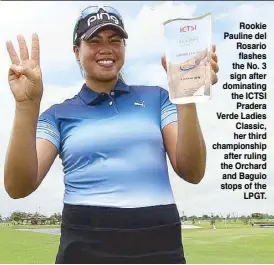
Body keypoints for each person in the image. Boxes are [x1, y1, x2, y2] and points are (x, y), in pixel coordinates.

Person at [4, 5, 219, 264]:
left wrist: (186, 94)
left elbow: (192, 172)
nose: (106, 48)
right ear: (76, 51)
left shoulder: (158, 99)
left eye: (115, 41)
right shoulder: (59, 115)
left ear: (124, 49)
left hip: (161, 248)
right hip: (84, 249)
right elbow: (18, 187)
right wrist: (27, 106)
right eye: (94, 41)